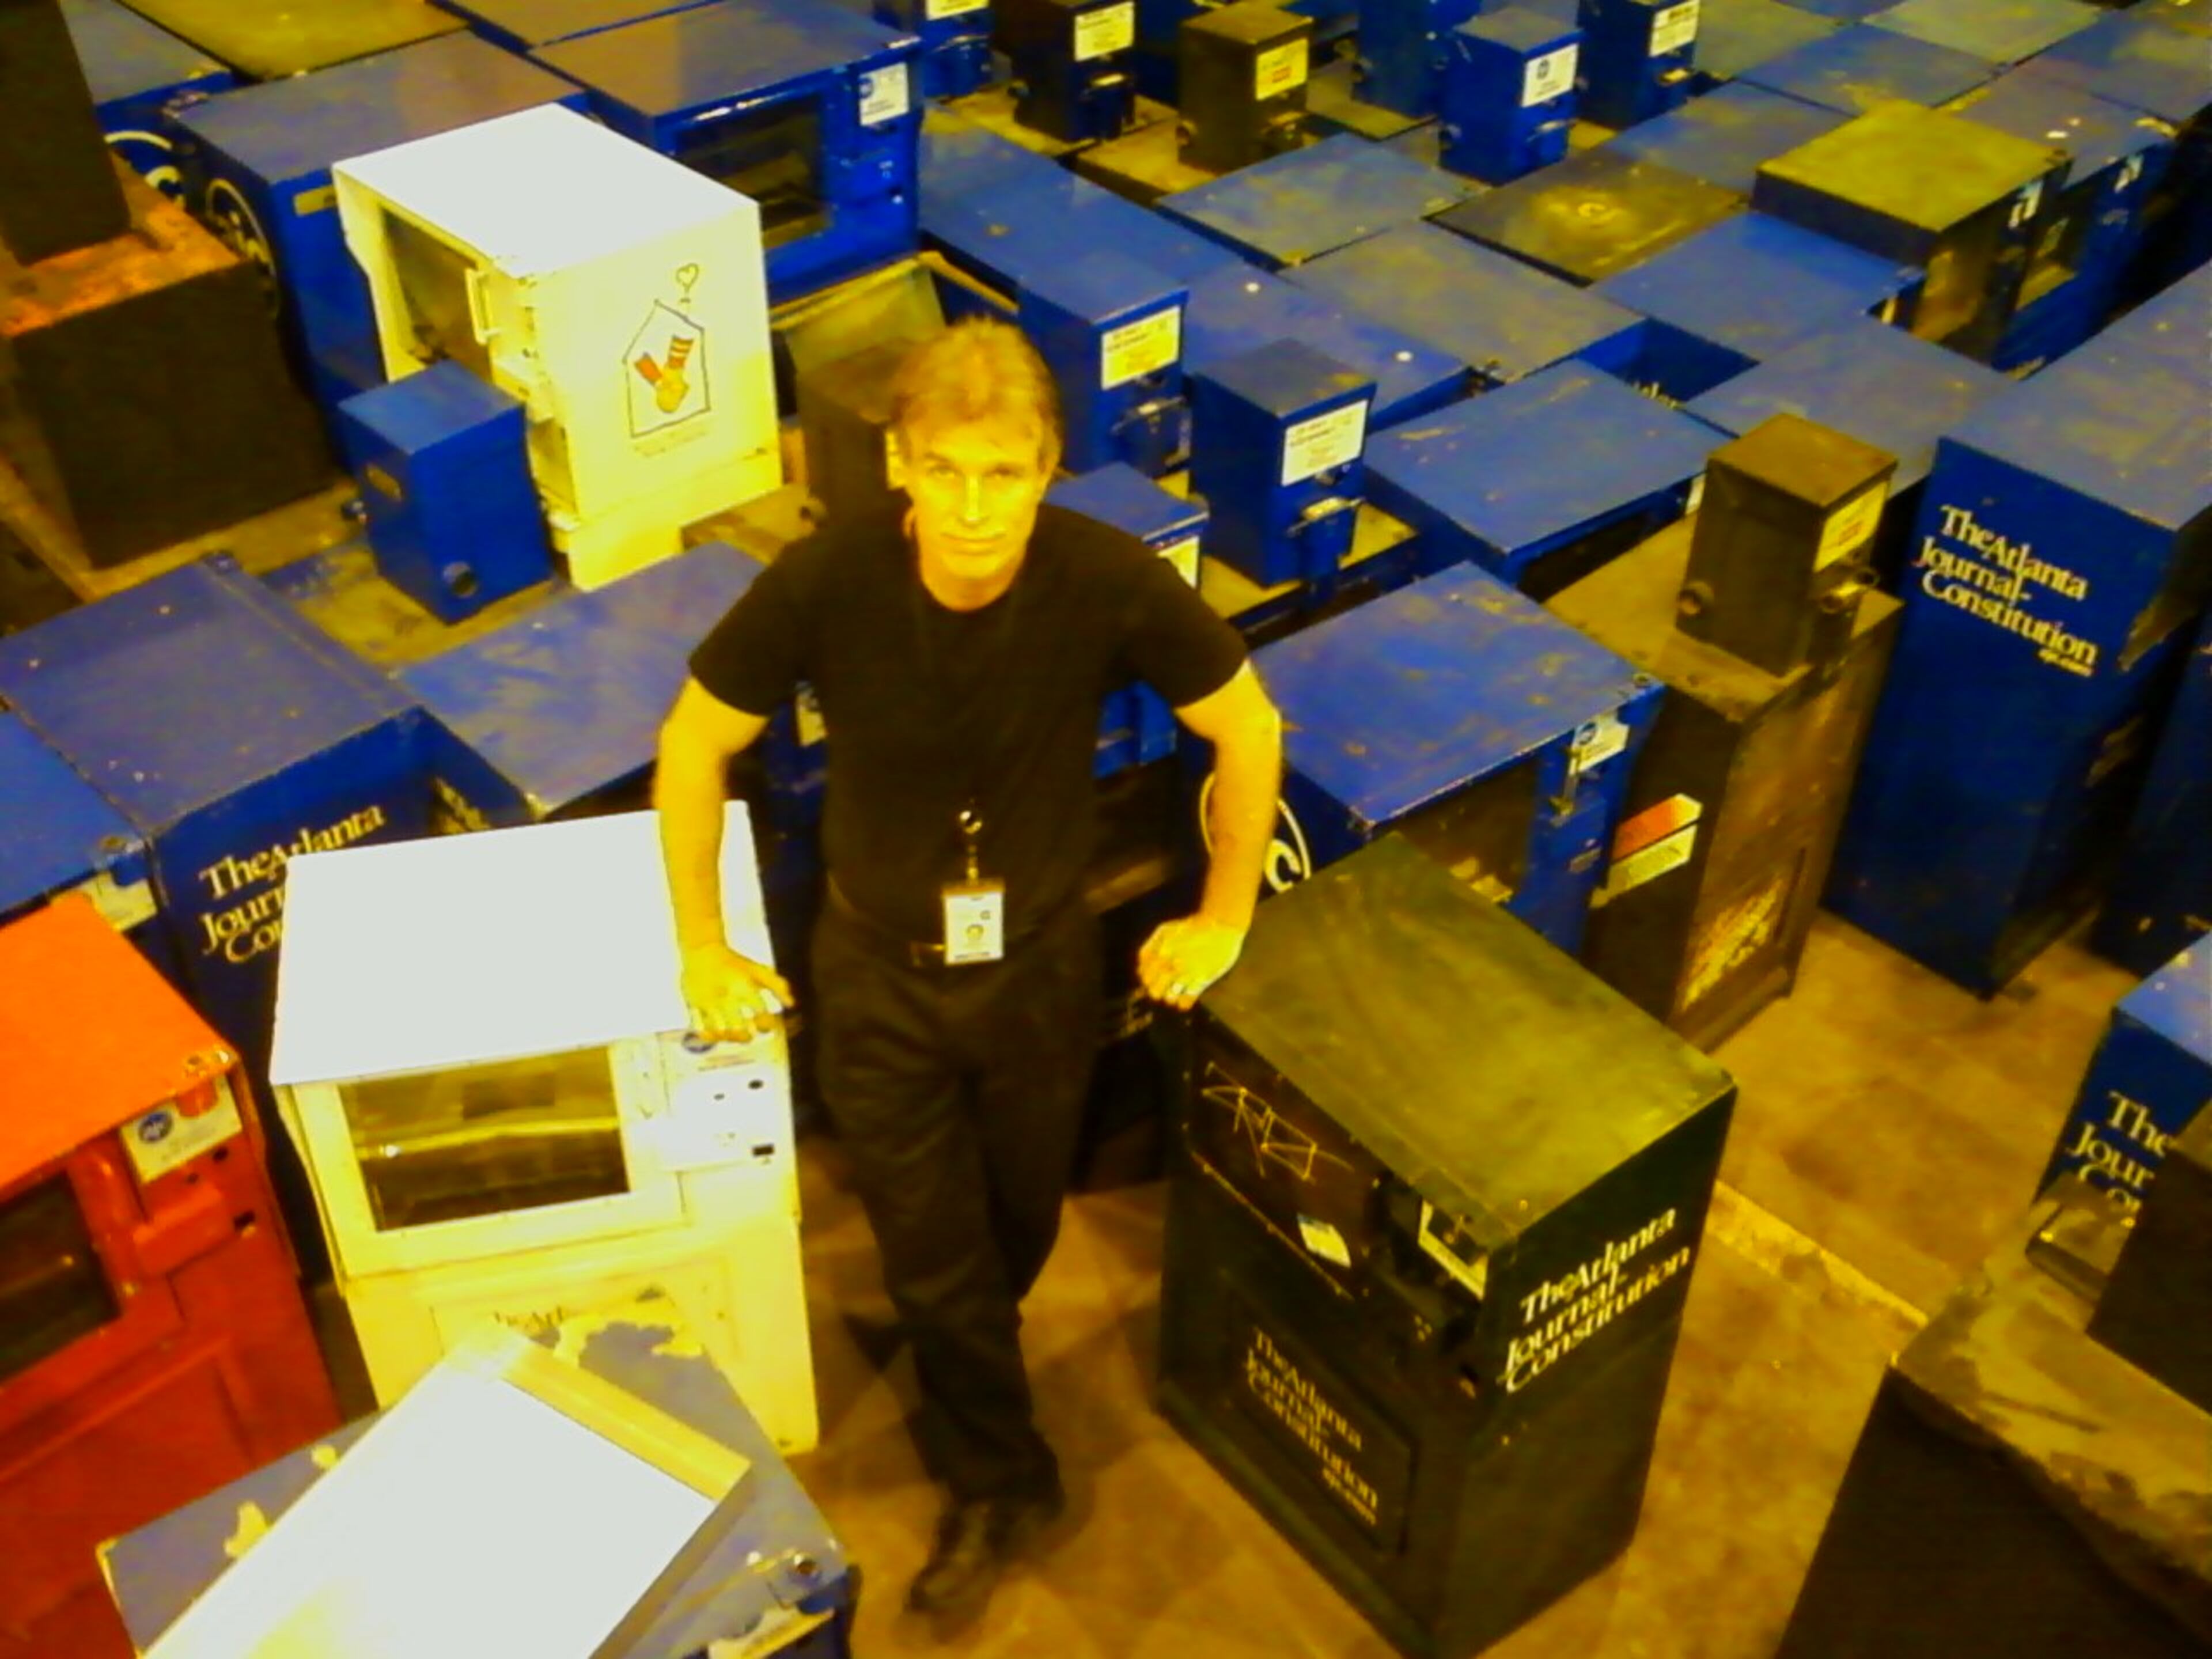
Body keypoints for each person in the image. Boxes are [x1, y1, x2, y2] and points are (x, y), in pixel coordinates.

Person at [654, 316, 1281, 1621]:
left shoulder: (1106, 578)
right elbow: (693, 745)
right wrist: (704, 946)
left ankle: (964, 1364)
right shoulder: (824, 582)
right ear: (898, 465)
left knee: (1014, 1221)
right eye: (945, 470)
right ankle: (1004, 1479)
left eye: (1004, 473)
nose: (974, 508)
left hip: (1040, 971)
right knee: (935, 1249)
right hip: (878, 978)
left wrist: (1227, 912)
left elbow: (1246, 722)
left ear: (1050, 467)